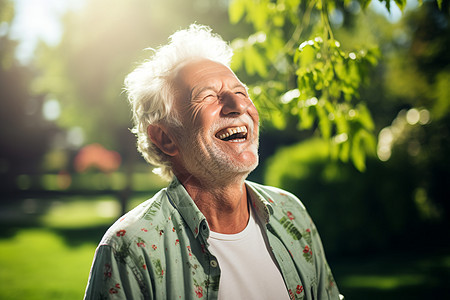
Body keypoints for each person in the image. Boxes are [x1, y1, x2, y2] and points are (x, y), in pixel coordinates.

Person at [84, 24, 342, 300]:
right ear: (166, 138)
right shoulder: (130, 248)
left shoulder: (291, 213)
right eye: (207, 96)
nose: (238, 105)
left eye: (241, 92)